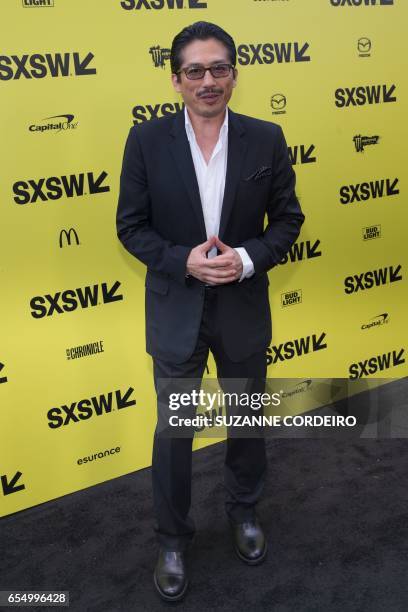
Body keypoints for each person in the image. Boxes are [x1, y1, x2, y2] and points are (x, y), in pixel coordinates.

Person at [116, 21, 305, 602]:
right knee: (174, 430)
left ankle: (244, 512)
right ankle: (172, 539)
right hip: (177, 308)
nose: (208, 80)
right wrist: (184, 262)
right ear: (175, 80)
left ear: (234, 75)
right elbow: (131, 227)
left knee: (245, 419)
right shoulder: (145, 141)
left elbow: (289, 221)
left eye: (219, 68)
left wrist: (248, 259)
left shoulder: (266, 138)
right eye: (194, 70)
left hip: (243, 307)